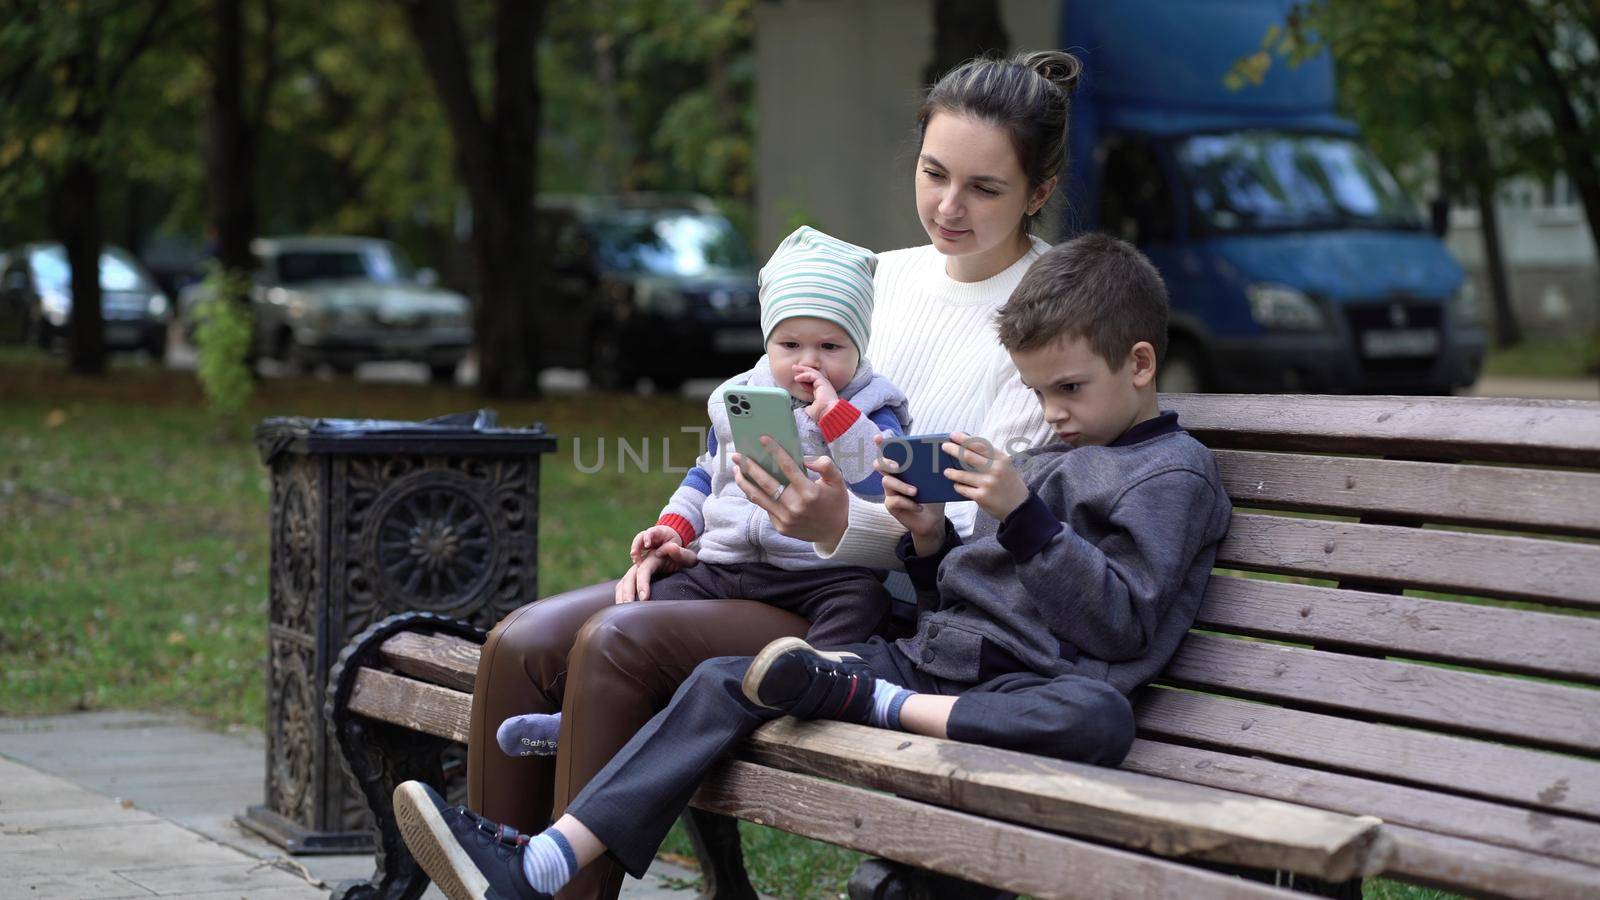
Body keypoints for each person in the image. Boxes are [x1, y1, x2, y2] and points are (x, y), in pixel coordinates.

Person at [392, 233, 1235, 900]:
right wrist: (932, 539)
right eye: (1039, 393)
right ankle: (543, 862)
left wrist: (1022, 517)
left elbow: (1120, 624)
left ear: (1140, 364)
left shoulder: (1170, 474)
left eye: (1069, 391)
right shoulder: (1058, 451)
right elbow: (963, 596)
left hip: (1027, 687)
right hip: (932, 663)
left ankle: (864, 698)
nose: (1051, 414)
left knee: (1096, 718)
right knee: (733, 677)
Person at [467, 50, 1081, 900]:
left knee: (614, 643)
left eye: (984, 188)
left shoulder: (1050, 313)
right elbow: (749, 418)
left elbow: (979, 544)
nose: (948, 206)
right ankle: (493, 872)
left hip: (875, 613)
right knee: (522, 643)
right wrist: (682, 529)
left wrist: (837, 525)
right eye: (934, 173)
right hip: (753, 565)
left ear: (1038, 193)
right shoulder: (875, 277)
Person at [495, 226, 909, 757]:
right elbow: (703, 476)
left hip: (822, 574)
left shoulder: (874, 407)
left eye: (830, 346)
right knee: (645, 608)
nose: (810, 362)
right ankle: (575, 721)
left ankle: (811, 688)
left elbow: (882, 479)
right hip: (730, 561)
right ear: (768, 343)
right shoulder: (738, 398)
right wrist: (673, 528)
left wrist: (837, 419)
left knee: (863, 599)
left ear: (859, 346)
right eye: (790, 345)